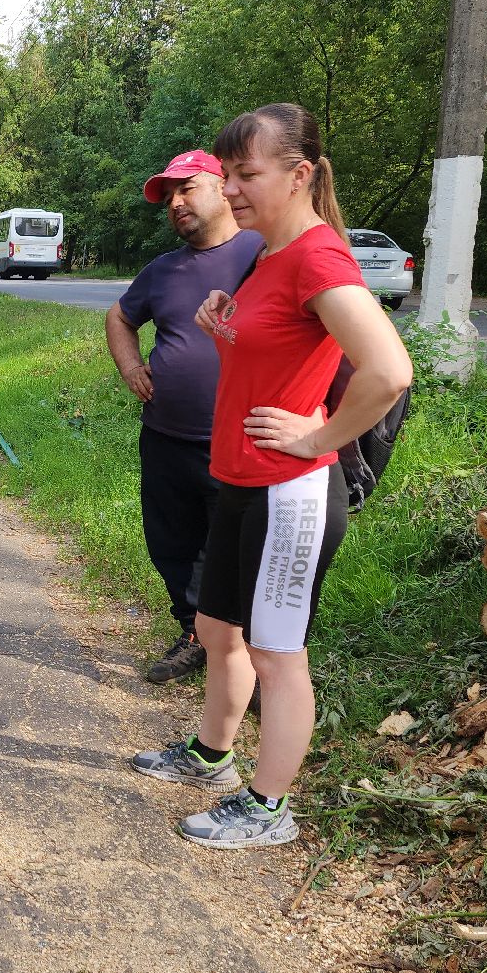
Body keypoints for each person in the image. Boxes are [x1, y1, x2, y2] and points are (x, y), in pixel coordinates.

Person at [131, 103, 412, 848]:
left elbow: (388, 371)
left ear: (300, 174)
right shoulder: (268, 255)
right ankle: (211, 758)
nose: (231, 187)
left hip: (290, 493)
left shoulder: (318, 257)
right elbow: (275, 350)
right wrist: (231, 324)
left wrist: (319, 434)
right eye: (227, 173)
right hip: (240, 480)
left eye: (246, 173)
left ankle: (268, 808)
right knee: (219, 628)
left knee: (278, 655)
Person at [106, 150, 263, 684]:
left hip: (241, 441)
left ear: (223, 187)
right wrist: (131, 366)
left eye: (186, 188)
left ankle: (261, 661)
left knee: (241, 549)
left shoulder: (261, 251)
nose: (176, 203)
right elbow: (120, 316)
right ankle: (195, 633)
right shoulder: (163, 270)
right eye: (168, 196)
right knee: (172, 543)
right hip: (167, 437)